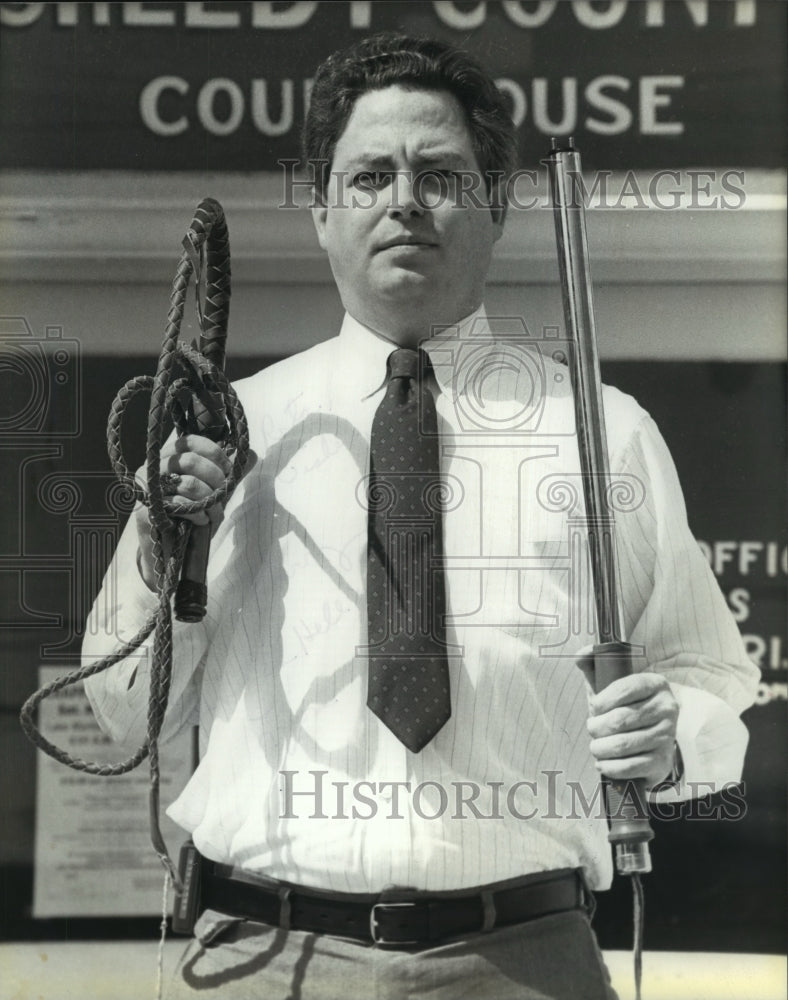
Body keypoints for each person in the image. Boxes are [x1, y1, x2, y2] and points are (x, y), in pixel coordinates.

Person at [83, 32, 759, 1000]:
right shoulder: (230, 433)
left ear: (495, 206)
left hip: (519, 957)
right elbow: (120, 717)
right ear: (321, 212)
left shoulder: (601, 431)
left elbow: (709, 674)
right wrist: (161, 551)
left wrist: (672, 736)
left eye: (438, 172)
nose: (401, 199)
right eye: (367, 176)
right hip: (266, 956)